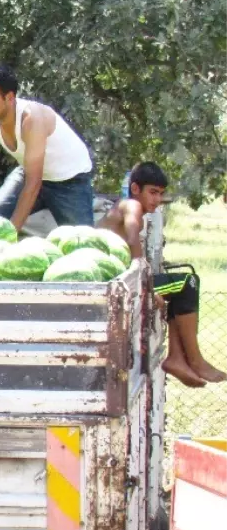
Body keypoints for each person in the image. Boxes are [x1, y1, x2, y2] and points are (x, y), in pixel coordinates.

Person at [98, 161, 224, 387]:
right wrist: (146, 285)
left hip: (121, 281)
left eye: (161, 194)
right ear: (136, 189)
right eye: (153, 192)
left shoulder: (125, 207)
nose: (157, 199)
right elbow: (132, 236)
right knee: (188, 282)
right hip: (122, 283)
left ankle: (177, 358)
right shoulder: (131, 206)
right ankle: (194, 360)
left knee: (183, 285)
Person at [0, 64, 95, 231]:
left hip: (69, 180)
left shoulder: (31, 119)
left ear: (10, 98)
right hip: (29, 171)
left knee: (82, 242)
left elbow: (34, 182)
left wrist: (11, 233)